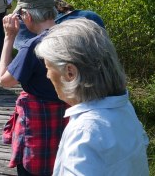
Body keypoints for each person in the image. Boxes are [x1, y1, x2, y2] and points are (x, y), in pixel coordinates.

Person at [35, 19, 149, 175]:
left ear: (70, 72)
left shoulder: (85, 132)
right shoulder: (124, 108)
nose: (48, 76)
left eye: (48, 68)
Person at [0, 0, 68, 176]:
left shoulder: (33, 46)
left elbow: (5, 81)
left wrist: (9, 38)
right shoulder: (72, 36)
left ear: (27, 16)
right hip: (68, 118)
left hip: (39, 124)